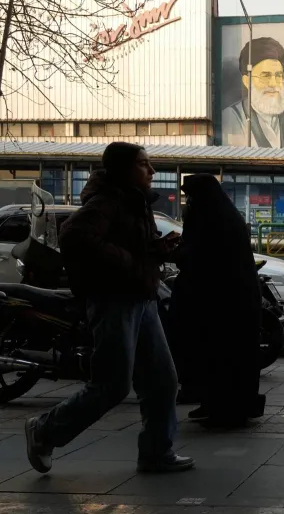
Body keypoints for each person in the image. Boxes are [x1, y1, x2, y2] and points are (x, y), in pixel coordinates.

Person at [25, 142, 193, 474]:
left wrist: (155, 249)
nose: (152, 171)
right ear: (123, 169)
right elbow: (75, 237)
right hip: (115, 300)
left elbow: (128, 245)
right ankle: (45, 429)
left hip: (141, 298)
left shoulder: (134, 201)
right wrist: (133, 261)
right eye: (144, 164)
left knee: (162, 380)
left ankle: (157, 452)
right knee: (112, 385)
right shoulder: (107, 200)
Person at [171, 174, 266, 428]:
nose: (188, 201)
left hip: (220, 302)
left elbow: (197, 256)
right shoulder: (223, 214)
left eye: (190, 196)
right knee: (230, 356)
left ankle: (222, 410)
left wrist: (172, 252)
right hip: (233, 299)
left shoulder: (208, 218)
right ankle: (221, 406)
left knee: (219, 356)